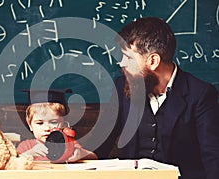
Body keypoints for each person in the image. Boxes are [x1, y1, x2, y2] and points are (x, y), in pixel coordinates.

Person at [94, 17, 219, 179]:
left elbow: (213, 156)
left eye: (129, 58)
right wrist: (81, 152)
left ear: (153, 61)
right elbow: (103, 141)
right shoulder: (122, 86)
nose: (122, 64)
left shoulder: (200, 94)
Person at [17, 89, 97, 162]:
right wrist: (30, 154)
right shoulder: (26, 146)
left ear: (63, 124)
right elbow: (13, 163)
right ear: (30, 125)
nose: (47, 128)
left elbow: (94, 157)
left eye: (53, 122)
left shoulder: (68, 144)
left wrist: (81, 153)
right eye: (40, 123)